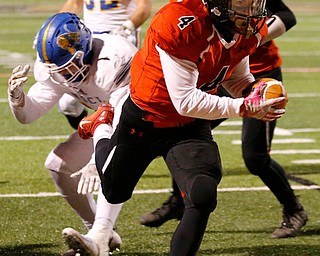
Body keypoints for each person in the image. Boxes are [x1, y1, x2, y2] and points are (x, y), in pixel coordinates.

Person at [76, 0, 287, 254]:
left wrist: (255, 92)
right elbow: (184, 100)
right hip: (147, 117)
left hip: (188, 125)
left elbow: (234, 76)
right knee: (114, 190)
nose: (252, 12)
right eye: (243, 3)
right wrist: (243, 107)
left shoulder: (241, 26)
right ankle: (101, 125)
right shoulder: (180, 22)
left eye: (255, 3)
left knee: (202, 194)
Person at [139, 0, 308, 239]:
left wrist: (252, 36)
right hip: (218, 73)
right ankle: (179, 200)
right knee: (186, 132)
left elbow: (286, 15)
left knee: (255, 157)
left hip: (258, 77)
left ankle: (294, 209)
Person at [8, 12, 138, 255]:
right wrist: (18, 100)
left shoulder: (114, 58)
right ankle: (97, 236)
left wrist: (97, 158)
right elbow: (29, 115)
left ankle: (100, 236)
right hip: (107, 118)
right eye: (58, 70)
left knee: (110, 166)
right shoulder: (56, 69)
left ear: (86, 50)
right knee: (58, 164)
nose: (64, 76)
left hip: (145, 120)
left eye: (69, 67)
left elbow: (127, 116)